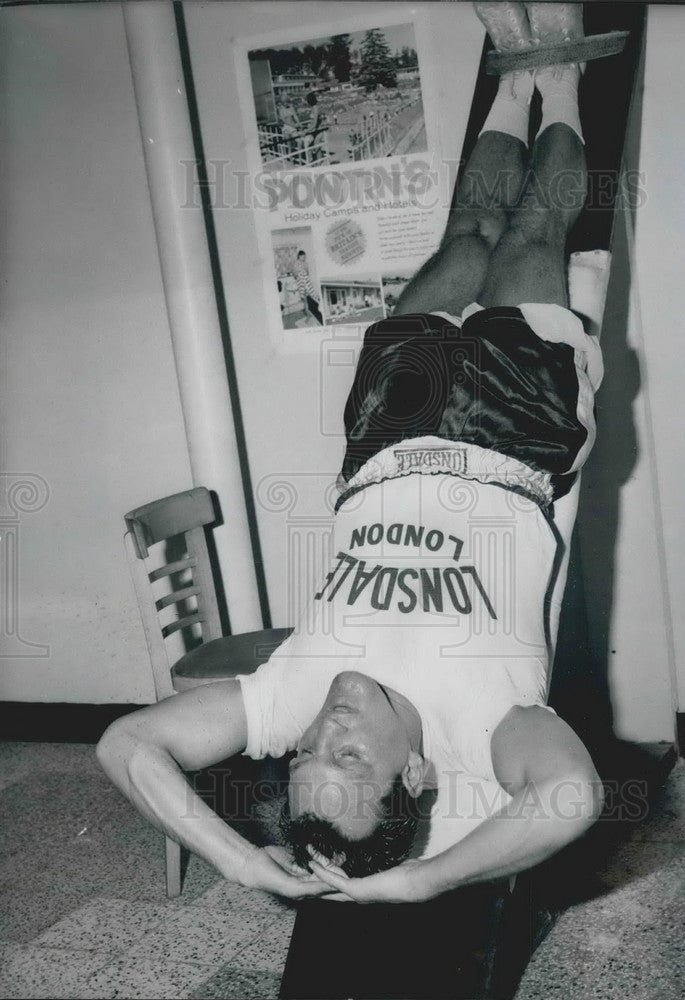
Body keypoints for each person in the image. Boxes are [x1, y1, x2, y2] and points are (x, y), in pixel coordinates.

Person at [98, 1, 605, 905]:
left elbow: (123, 744)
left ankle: (514, 74)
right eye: (349, 759)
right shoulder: (480, 728)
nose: (327, 730)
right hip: (513, 434)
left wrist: (238, 860)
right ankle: (560, 73)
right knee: (533, 236)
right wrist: (419, 883)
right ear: (414, 775)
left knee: (464, 239)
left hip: (384, 437)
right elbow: (572, 796)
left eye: (305, 756)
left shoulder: (291, 701)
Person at [294, 249, 324, 325]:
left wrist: (304, 274)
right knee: (304, 300)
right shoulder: (296, 264)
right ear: (299, 256)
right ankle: (308, 316)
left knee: (313, 294)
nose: (304, 258)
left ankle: (319, 308)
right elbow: (295, 275)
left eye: (305, 257)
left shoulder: (305, 264)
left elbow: (307, 273)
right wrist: (299, 276)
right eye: (303, 256)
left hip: (306, 282)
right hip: (301, 283)